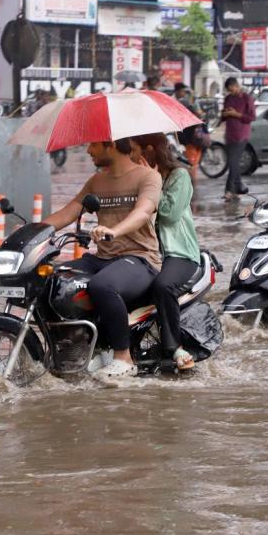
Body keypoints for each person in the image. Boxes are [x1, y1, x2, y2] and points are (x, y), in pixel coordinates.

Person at [42, 139, 162, 378]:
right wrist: (33, 230)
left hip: (140, 258)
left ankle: (123, 357)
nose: (87, 150)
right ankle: (76, 348)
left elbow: (143, 212)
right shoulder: (97, 181)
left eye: (93, 145)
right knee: (51, 280)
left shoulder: (148, 177)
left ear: (112, 145)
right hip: (103, 258)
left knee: (102, 286)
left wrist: (114, 231)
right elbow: (69, 212)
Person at [130, 133, 200, 370]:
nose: (132, 156)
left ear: (148, 150)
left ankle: (174, 347)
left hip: (179, 254)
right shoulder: (138, 179)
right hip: (147, 252)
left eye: (135, 150)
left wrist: (153, 181)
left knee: (163, 286)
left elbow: (169, 215)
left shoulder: (179, 176)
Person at [221, 77, 255, 201]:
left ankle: (233, 188)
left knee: (233, 162)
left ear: (237, 85)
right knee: (232, 162)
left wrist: (236, 114)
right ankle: (234, 188)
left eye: (233, 89)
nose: (232, 92)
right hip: (230, 134)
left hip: (242, 134)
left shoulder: (246, 98)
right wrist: (225, 113)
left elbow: (251, 117)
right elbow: (223, 116)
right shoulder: (228, 98)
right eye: (229, 90)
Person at [174, 82, 206, 182]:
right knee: (192, 161)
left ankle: (192, 180)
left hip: (186, 135)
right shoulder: (184, 102)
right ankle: (192, 181)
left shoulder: (179, 101)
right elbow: (197, 114)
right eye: (184, 91)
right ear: (179, 91)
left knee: (191, 160)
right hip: (189, 136)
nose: (185, 93)